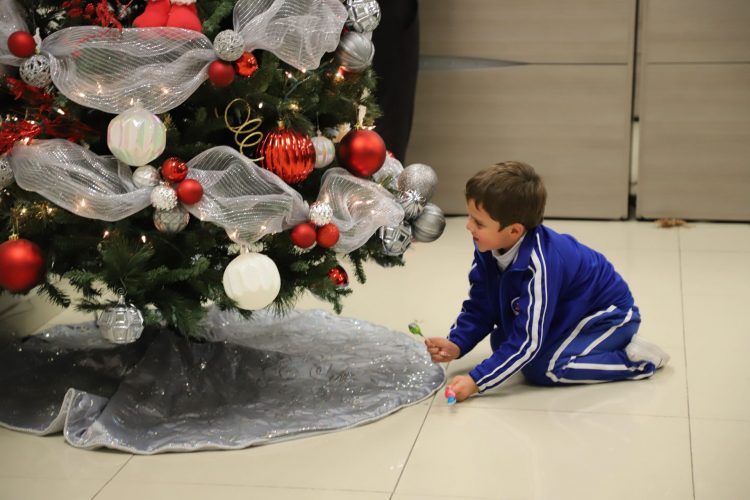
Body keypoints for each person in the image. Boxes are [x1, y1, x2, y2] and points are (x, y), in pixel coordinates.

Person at [425, 161, 669, 402]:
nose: (469, 227)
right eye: (470, 217)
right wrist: (457, 343)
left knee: (543, 368)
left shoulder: (539, 265)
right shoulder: (487, 247)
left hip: (608, 316)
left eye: (479, 223)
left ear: (514, 231)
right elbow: (482, 305)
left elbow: (528, 343)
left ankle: (636, 361)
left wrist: (476, 381)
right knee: (502, 340)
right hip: (566, 314)